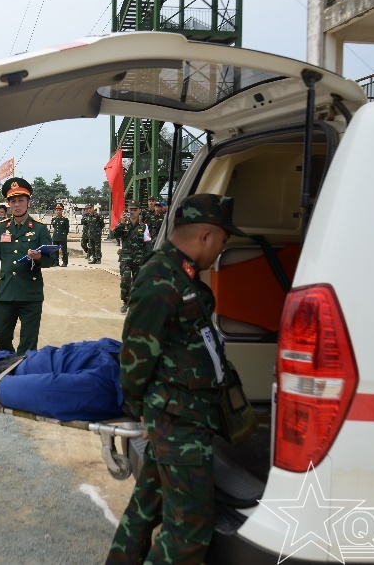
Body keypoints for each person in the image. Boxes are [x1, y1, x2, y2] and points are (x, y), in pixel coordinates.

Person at [107, 194, 245, 564]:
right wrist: (142, 410)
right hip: (177, 419)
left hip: (183, 413)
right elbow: (136, 354)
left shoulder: (180, 273)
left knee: (146, 506)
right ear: (205, 236)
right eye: (222, 241)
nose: (221, 250)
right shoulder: (161, 276)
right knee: (189, 531)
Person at [0, 178, 54, 355]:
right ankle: (11, 362)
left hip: (30, 293)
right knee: (1, 335)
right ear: (9, 204)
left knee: (28, 342)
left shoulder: (40, 229)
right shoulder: (0, 228)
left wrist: (39, 258)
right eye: (13, 201)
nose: (17, 205)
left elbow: (52, 259)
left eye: (21, 200)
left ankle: (22, 368)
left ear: (29, 202)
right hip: (6, 291)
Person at [113, 201, 152, 314]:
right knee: (125, 279)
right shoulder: (123, 225)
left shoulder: (144, 226)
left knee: (138, 282)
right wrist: (121, 222)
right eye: (130, 209)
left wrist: (150, 259)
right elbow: (116, 235)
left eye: (135, 210)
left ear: (139, 211)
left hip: (139, 258)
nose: (133, 212)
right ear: (127, 210)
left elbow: (148, 244)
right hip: (126, 257)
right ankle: (126, 301)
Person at [50, 203, 70, 267]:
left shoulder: (65, 219)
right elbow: (54, 227)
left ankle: (65, 262)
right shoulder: (54, 219)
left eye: (60, 210)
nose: (58, 211)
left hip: (62, 237)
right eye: (57, 210)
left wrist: (64, 235)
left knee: (64, 250)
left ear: (62, 211)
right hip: (55, 236)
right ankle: (56, 262)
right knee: (55, 250)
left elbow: (67, 229)